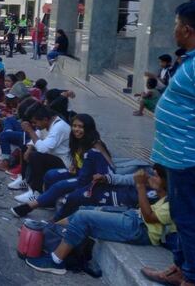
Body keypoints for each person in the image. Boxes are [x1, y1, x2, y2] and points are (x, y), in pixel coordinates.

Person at [142, 0, 195, 286]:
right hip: (180, 156)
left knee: (191, 219)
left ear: (186, 29)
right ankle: (180, 268)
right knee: (182, 216)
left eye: (176, 25)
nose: (174, 31)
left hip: (192, 159)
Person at [26, 165, 175, 276]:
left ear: (166, 182)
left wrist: (140, 186)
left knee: (83, 217)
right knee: (85, 209)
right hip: (133, 217)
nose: (151, 178)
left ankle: (56, 261)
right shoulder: (166, 195)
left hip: (140, 229)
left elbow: (149, 216)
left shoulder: (176, 203)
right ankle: (47, 231)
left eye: (155, 176)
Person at [10, 114, 112, 218]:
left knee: (59, 186)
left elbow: (109, 165)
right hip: (79, 172)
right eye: (74, 126)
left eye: (81, 127)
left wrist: (103, 177)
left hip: (89, 180)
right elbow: (78, 157)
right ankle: (48, 202)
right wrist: (74, 165)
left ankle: (29, 207)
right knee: (51, 175)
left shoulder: (96, 145)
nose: (77, 129)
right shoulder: (77, 140)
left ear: (88, 128)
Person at [13, 104, 72, 203]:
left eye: (35, 123)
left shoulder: (59, 127)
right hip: (51, 156)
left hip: (62, 162)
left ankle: (37, 191)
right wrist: (29, 148)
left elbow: (43, 149)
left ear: (45, 119)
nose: (35, 125)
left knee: (36, 156)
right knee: (26, 148)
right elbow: (37, 138)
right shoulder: (47, 123)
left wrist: (30, 130)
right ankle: (24, 179)